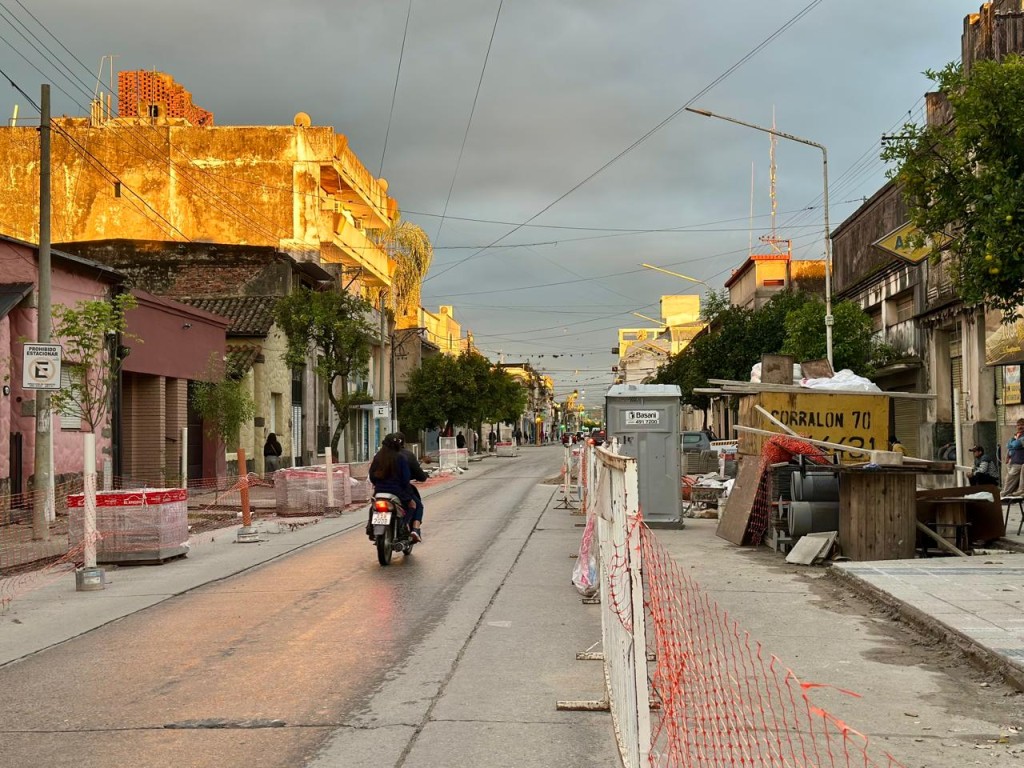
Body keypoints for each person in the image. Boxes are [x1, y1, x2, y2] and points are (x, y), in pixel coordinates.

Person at [367, 433, 424, 542]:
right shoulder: (401, 458)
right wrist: (406, 492)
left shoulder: (378, 457)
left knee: (373, 506)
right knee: (414, 505)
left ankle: (370, 527)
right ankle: (406, 527)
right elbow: (405, 478)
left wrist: (378, 486)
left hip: (379, 491)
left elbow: (372, 475)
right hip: (397, 492)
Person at [1002, 419, 1024, 498]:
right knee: (1010, 480)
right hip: (1013, 461)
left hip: (1019, 462)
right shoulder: (1016, 436)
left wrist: (1013, 442)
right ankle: (1007, 496)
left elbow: (1016, 445)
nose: (1020, 427)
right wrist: (1013, 442)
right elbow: (1008, 446)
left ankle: (1003, 496)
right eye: (1018, 425)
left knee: (1009, 479)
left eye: (1022, 425)